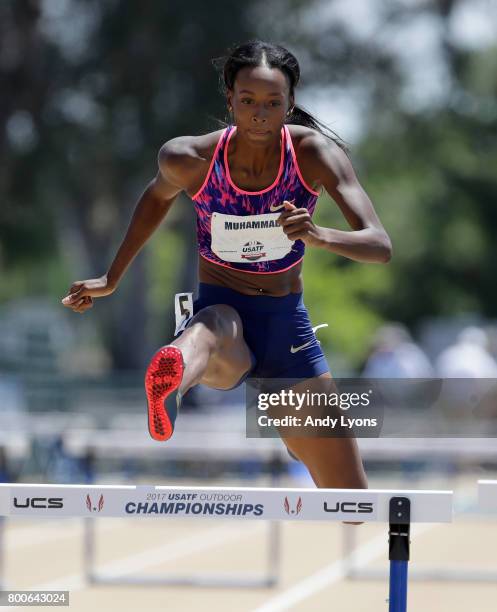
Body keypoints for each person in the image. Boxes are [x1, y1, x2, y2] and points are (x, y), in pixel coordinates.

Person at [62, 40, 392, 491]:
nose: (260, 114)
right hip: (222, 311)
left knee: (350, 496)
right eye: (248, 101)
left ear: (291, 103)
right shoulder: (191, 158)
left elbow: (379, 244)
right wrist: (111, 278)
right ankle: (173, 375)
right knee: (212, 328)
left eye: (273, 103)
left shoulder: (313, 153)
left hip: (284, 326)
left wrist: (318, 235)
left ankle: (270, 418)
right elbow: (155, 200)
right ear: (229, 100)